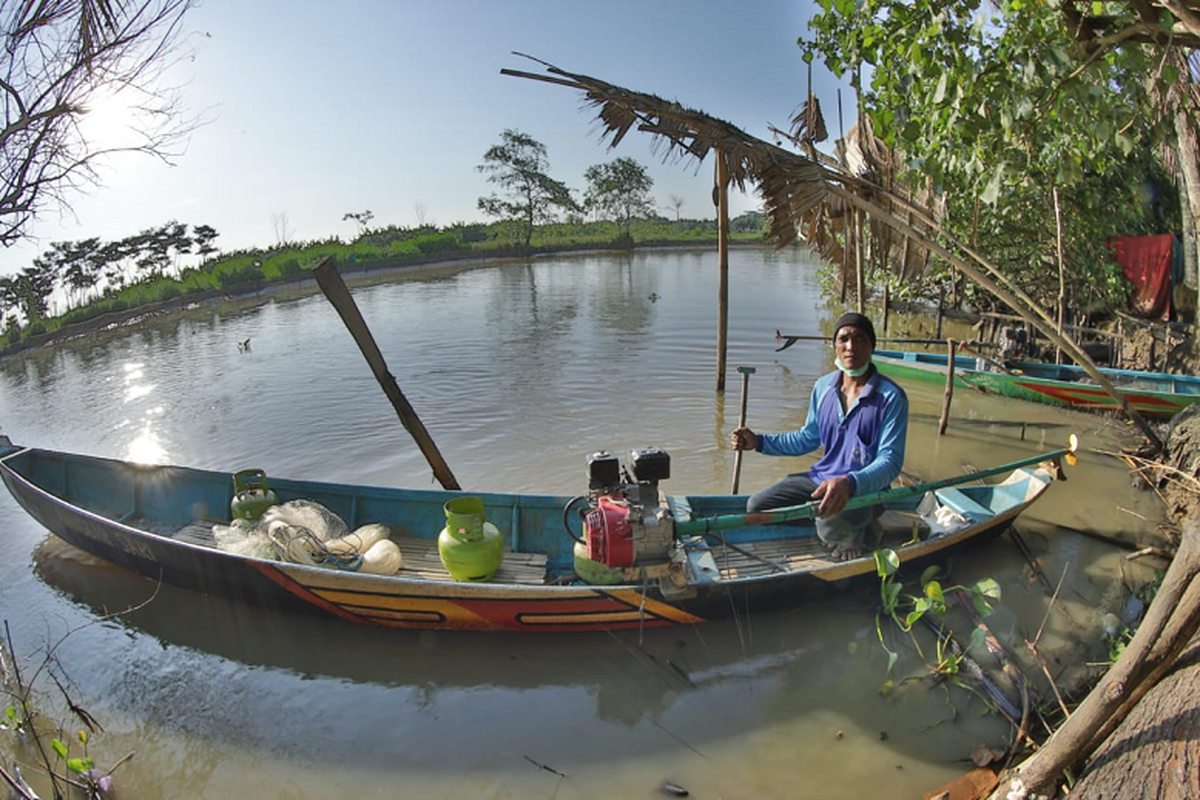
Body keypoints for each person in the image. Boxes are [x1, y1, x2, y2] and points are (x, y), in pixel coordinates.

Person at [730, 312, 908, 561]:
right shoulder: (823, 387)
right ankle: (830, 524)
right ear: (834, 345)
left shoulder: (891, 397)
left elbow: (890, 462)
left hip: (865, 491)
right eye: (843, 339)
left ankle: (851, 529)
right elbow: (806, 438)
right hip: (821, 479)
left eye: (860, 339)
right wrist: (758, 442)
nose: (850, 346)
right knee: (756, 507)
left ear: (871, 347)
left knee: (829, 528)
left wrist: (850, 482)